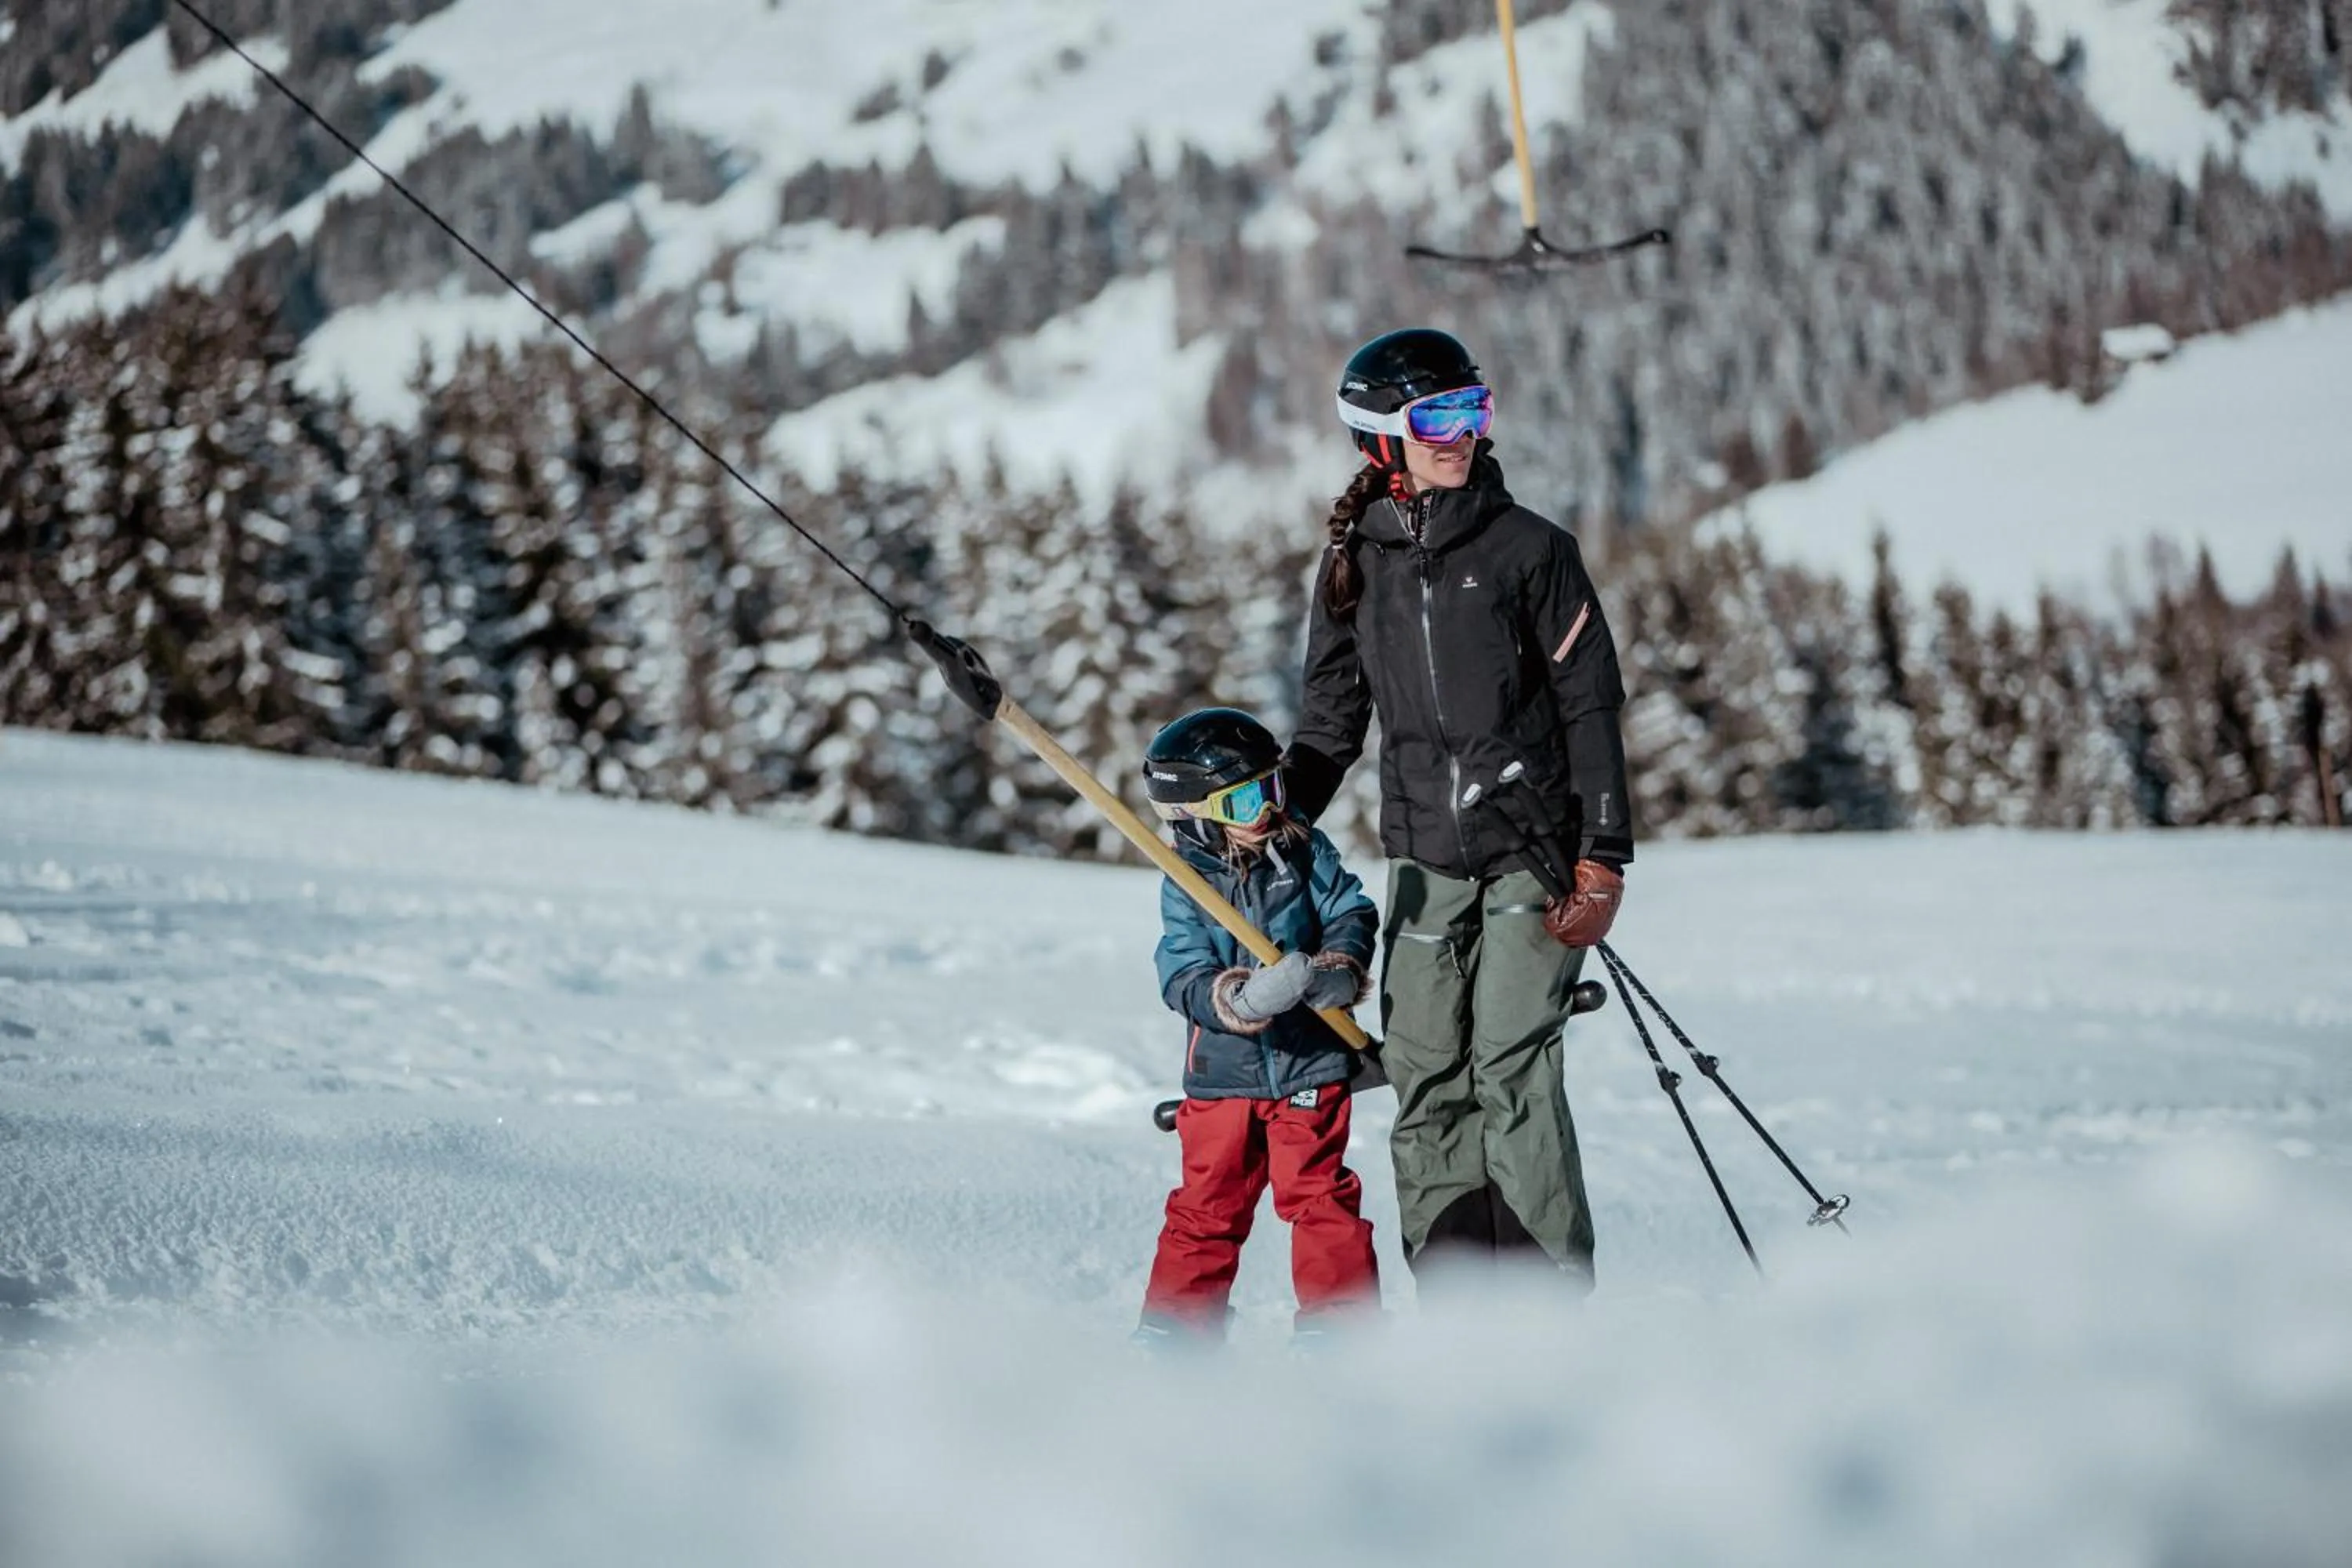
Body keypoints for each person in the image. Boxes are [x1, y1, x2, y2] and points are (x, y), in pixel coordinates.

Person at [1283, 328, 1632, 1290]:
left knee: (1511, 1069)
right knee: (1427, 1069)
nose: (1462, 432)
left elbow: (1590, 704)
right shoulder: (1357, 562)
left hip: (1534, 853)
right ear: (1379, 438)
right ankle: (1455, 1295)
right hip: (1423, 857)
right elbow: (1330, 717)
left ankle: (1546, 1297)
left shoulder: (1531, 551)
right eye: (1437, 416)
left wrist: (1603, 855)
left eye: (1473, 408)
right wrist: (1279, 818)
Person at [1133, 706, 1382, 1348]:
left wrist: (1341, 968)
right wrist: (1239, 1000)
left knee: (1322, 1200)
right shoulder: (1187, 882)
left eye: (1272, 787)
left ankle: (1340, 1331)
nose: (1269, 809)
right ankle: (1177, 1333)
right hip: (1224, 1077)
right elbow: (1180, 969)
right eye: (1246, 800)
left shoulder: (1304, 849)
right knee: (1207, 1208)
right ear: (1196, 814)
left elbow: (1349, 909)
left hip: (1311, 1062)